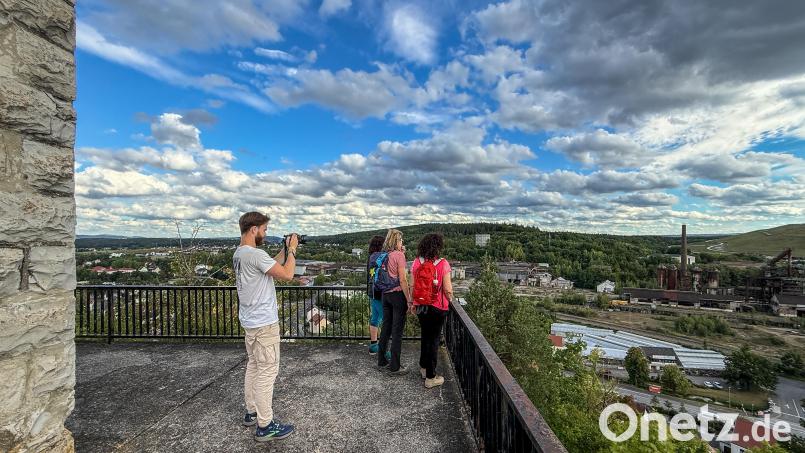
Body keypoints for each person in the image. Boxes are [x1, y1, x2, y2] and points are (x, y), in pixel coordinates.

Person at [233, 211, 298, 442]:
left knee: (254, 366)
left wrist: (284, 247)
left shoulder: (241, 254)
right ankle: (265, 425)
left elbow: (273, 264)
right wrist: (292, 250)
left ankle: (251, 412)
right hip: (264, 324)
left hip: (250, 323)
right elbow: (288, 274)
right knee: (267, 372)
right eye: (265, 229)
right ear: (254, 229)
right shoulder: (255, 255)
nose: (265, 233)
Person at [411, 233, 453, 389]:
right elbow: (448, 289)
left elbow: (412, 286)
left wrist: (412, 303)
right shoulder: (443, 264)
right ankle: (431, 377)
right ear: (438, 247)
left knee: (425, 336)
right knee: (433, 340)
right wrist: (451, 299)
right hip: (438, 308)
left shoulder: (417, 262)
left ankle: (423, 368)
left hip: (422, 306)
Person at [376, 229, 412, 375]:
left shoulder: (385, 255)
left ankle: (381, 360)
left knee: (386, 328)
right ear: (397, 241)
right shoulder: (399, 256)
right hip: (397, 296)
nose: (402, 243)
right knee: (397, 332)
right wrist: (409, 299)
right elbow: (403, 279)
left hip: (385, 295)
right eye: (401, 240)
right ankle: (395, 367)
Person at [366, 235, 385, 355]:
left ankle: (373, 345)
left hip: (372, 291)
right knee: (386, 320)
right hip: (381, 292)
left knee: (375, 318)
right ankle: (384, 349)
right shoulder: (382, 257)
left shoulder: (370, 257)